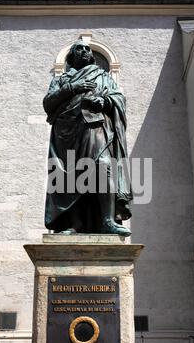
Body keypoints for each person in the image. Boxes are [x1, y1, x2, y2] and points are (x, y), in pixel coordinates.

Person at [43, 40, 132, 236]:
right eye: (79, 49)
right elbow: (48, 103)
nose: (84, 51)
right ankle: (74, 224)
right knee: (71, 176)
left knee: (103, 166)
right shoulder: (62, 79)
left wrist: (104, 100)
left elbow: (119, 97)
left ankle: (108, 220)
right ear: (71, 56)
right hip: (66, 132)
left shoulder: (103, 77)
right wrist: (73, 87)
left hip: (95, 127)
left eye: (87, 49)